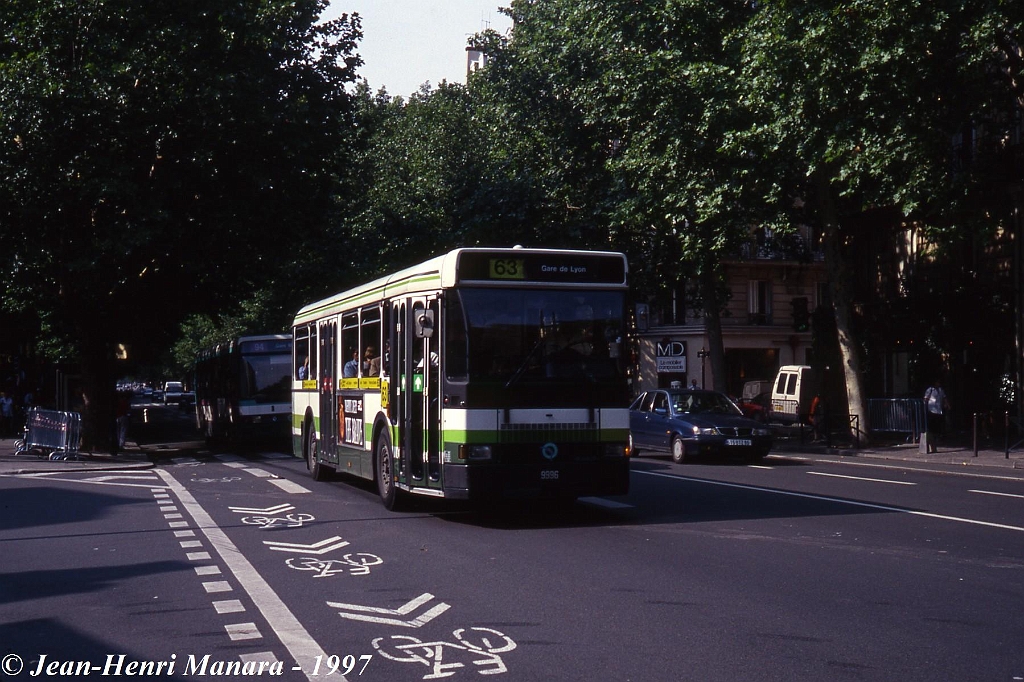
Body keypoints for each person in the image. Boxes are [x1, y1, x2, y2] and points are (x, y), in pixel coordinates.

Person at [923, 379, 950, 452]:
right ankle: (933, 440)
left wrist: (947, 404)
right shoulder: (930, 389)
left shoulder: (941, 390)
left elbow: (944, 397)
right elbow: (926, 399)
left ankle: (937, 437)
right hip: (932, 409)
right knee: (932, 425)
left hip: (939, 409)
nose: (938, 384)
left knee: (938, 424)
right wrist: (925, 407)